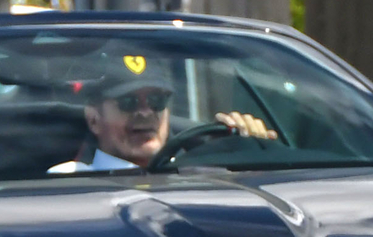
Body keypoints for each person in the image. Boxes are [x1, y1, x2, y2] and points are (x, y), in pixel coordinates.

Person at [51, 56, 276, 173]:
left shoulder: (204, 174)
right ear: (94, 119)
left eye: (157, 101)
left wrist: (249, 153)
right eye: (128, 102)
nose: (145, 112)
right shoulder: (68, 183)